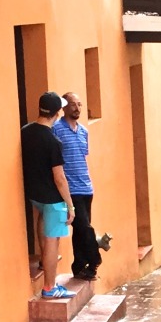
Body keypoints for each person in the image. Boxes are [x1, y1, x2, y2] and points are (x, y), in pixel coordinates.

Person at [51, 91, 111, 279]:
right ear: (64, 107)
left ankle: (79, 266)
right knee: (84, 227)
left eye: (79, 104)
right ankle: (94, 260)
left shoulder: (84, 131)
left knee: (80, 229)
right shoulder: (56, 129)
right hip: (71, 189)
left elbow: (82, 156)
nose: (77, 108)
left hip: (86, 187)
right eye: (73, 104)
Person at [21, 92, 74, 300]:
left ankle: (44, 263)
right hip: (52, 198)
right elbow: (59, 177)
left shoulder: (25, 131)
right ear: (57, 113)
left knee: (42, 223)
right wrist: (70, 205)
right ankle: (50, 287)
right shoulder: (53, 141)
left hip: (35, 194)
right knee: (53, 241)